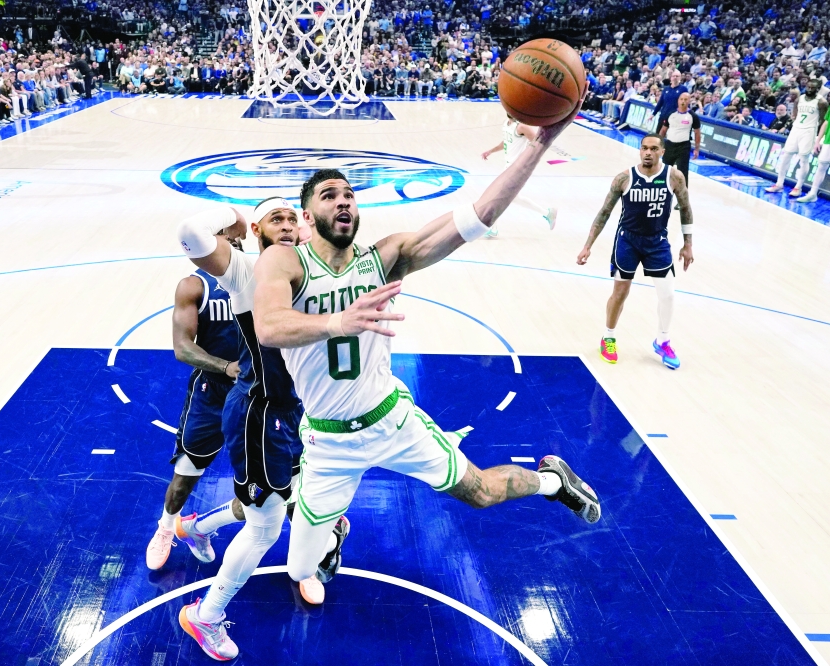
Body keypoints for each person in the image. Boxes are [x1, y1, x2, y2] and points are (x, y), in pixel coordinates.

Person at [249, 95, 601, 601]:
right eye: (330, 195)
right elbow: (269, 326)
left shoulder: (387, 256)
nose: (344, 201)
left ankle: (554, 482)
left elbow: (478, 215)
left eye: (349, 194)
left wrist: (540, 145)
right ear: (307, 215)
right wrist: (337, 321)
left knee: (479, 492)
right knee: (298, 566)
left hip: (391, 422)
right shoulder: (285, 262)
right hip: (327, 443)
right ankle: (333, 534)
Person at [174, 198, 348, 660]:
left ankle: (196, 527)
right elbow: (192, 231)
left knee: (274, 500)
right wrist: (230, 213)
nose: (288, 224)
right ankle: (205, 616)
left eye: (294, 217)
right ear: (256, 230)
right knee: (266, 528)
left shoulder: (306, 273)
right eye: (277, 218)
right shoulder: (247, 271)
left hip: (291, 414)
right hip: (259, 416)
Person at [144, 236, 245, 570]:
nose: (228, 247)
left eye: (233, 240)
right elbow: (182, 348)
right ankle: (165, 529)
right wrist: (225, 366)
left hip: (256, 396)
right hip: (211, 395)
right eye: (220, 242)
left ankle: (312, 556)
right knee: (185, 477)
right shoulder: (194, 285)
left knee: (276, 485)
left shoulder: (263, 278)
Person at [576, 134, 694, 370]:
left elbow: (686, 208)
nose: (647, 152)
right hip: (627, 241)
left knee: (668, 295)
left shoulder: (674, 176)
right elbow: (604, 213)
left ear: (662, 151)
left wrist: (687, 243)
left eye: (653, 148)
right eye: (644, 148)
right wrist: (588, 245)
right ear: (639, 151)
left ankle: (662, 340)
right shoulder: (624, 177)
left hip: (658, 242)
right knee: (620, 292)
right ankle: (608, 337)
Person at [479, 116, 558, 234]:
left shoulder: (522, 126)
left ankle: (492, 228)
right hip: (508, 166)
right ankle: (547, 213)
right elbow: (506, 141)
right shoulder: (507, 123)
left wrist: (526, 161)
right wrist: (491, 151)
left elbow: (538, 143)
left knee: (497, 196)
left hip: (516, 168)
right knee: (513, 198)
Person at [766, 79, 828, 197]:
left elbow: (823, 120)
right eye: (808, 87)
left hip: (809, 132)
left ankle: (798, 187)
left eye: (812, 88)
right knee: (786, 156)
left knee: (804, 159)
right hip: (796, 130)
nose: (809, 89)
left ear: (818, 88)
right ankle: (779, 184)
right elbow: (794, 114)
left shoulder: (822, 102)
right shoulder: (800, 98)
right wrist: (796, 123)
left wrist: (818, 137)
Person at [659, 92, 701, 191]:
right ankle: (663, 193)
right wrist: (659, 145)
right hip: (669, 146)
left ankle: (682, 199)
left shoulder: (693, 116)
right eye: (681, 99)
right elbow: (663, 130)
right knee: (665, 170)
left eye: (685, 99)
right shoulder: (670, 113)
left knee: (682, 173)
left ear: (689, 101)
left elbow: (697, 133)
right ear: (678, 100)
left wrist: (697, 149)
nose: (683, 101)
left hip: (683, 147)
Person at [799, 104, 830, 202]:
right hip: (828, 141)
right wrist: (818, 141)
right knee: (821, 167)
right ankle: (813, 194)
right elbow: (826, 122)